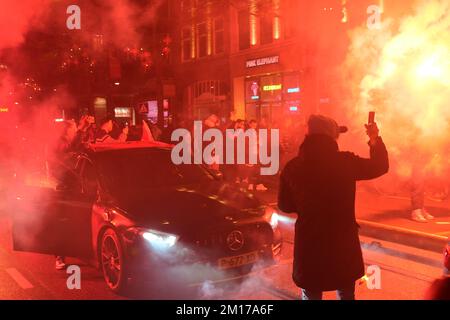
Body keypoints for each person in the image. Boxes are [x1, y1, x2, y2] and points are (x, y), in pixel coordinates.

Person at [278, 114, 389, 300]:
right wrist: (374, 138)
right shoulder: (345, 162)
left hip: (310, 246)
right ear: (332, 136)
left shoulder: (293, 167)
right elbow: (380, 166)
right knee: (345, 291)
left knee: (311, 291)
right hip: (342, 245)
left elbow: (285, 205)